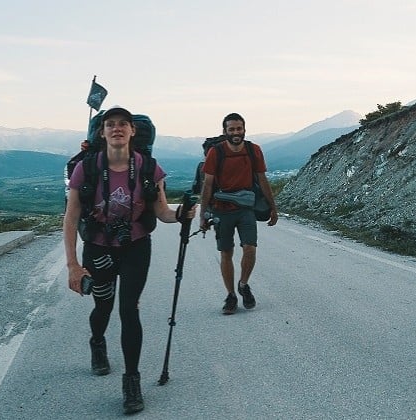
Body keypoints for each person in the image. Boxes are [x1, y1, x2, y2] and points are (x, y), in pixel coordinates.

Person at [63, 106, 195, 414]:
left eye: (124, 124)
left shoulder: (148, 167)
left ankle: (131, 380)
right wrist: (73, 264)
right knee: (103, 306)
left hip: (136, 246)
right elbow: (71, 218)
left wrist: (180, 215)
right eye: (111, 124)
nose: (117, 128)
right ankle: (97, 342)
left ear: (133, 131)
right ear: (102, 131)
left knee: (129, 309)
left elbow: (161, 212)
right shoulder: (87, 168)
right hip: (98, 248)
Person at [199, 112, 278, 315]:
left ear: (244, 129)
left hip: (245, 209)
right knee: (226, 253)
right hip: (221, 209)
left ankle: (243, 284)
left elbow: (262, 179)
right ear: (225, 131)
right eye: (231, 129)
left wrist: (273, 207)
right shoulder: (216, 153)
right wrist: (203, 214)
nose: (236, 132)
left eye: (239, 128)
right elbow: (207, 185)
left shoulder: (254, 150)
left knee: (250, 248)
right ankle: (231, 295)